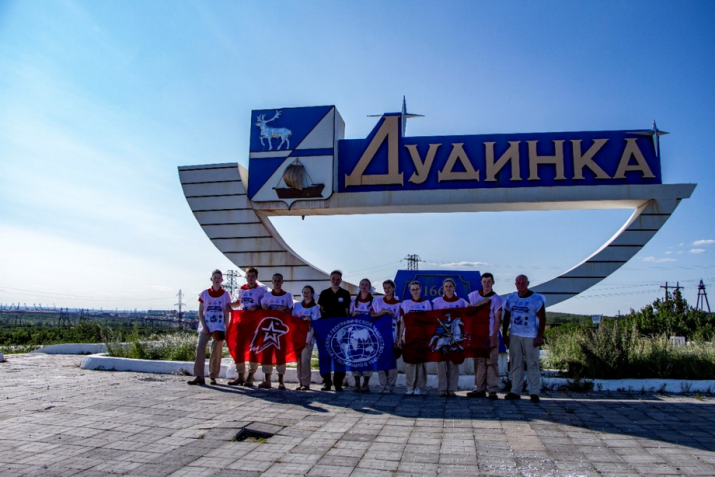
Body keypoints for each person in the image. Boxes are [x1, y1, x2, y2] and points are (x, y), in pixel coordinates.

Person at [501, 274, 546, 403]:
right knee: (515, 363)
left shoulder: (537, 299)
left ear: (528, 283)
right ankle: (515, 390)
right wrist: (504, 333)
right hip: (515, 334)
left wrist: (539, 336)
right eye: (518, 283)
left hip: (531, 335)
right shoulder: (511, 298)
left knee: (532, 363)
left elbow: (542, 318)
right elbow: (506, 317)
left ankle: (534, 391)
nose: (520, 285)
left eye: (523, 283)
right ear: (515, 284)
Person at [188, 269, 235, 386]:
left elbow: (226, 312)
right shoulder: (204, 294)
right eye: (215, 277)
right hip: (206, 325)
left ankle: (213, 376)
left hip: (219, 326)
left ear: (222, 280)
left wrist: (227, 328)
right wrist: (204, 326)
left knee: (216, 351)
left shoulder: (225, 295)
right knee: (200, 348)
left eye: (219, 278)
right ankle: (199, 375)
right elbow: (200, 311)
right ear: (211, 279)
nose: (217, 280)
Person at [227, 267, 267, 387]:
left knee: (253, 349)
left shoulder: (261, 290)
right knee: (238, 348)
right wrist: (228, 305)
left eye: (253, 276)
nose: (250, 278)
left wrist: (257, 307)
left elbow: (265, 305)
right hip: (242, 322)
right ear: (246, 277)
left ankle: (250, 375)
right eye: (249, 276)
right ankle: (240, 375)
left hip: (255, 323)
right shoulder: (241, 290)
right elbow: (238, 303)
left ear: (256, 277)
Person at [466, 273, 503, 400]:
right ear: (481, 283)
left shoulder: (497, 299)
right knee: (479, 362)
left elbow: (498, 319)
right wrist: (482, 303)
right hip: (477, 335)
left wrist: (494, 337)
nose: (487, 284)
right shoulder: (473, 296)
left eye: (489, 281)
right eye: (484, 281)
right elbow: (469, 312)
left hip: (490, 334)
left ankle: (492, 389)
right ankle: (479, 388)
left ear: (493, 282)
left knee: (491, 362)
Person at [432, 278, 468, 397]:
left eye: (450, 286)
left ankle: (452, 388)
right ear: (443, 288)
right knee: (441, 364)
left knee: (453, 363)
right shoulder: (437, 302)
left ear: (454, 287)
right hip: (443, 332)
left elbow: (466, 316)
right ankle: (442, 389)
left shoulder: (461, 302)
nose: (448, 288)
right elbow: (433, 318)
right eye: (446, 286)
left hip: (455, 334)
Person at [317, 270, 351, 392]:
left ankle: (338, 383)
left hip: (341, 330)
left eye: (338, 279)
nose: (335, 281)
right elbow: (320, 311)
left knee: (340, 356)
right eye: (333, 278)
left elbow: (347, 312)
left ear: (341, 280)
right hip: (326, 329)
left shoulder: (345, 293)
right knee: (325, 356)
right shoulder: (324, 293)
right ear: (330, 279)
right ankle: (326, 382)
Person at [258, 273, 294, 390]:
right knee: (266, 353)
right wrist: (264, 307)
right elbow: (261, 307)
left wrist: (285, 308)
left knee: (280, 354)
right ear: (272, 282)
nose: (277, 282)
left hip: (281, 331)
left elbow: (291, 310)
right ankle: (267, 379)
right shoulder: (267, 295)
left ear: (282, 282)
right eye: (275, 280)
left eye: (279, 280)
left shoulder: (287, 296)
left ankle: (281, 381)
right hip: (268, 329)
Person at [399, 281, 431, 396]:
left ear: (420, 290)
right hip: (409, 337)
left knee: (420, 363)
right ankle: (410, 387)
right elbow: (402, 322)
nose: (415, 291)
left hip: (422, 337)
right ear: (410, 291)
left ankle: (418, 387)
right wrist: (399, 338)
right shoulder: (405, 304)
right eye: (413, 289)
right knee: (409, 363)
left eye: (417, 289)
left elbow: (429, 321)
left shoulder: (426, 303)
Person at [371, 279, 401, 394]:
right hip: (380, 332)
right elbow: (371, 315)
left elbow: (399, 322)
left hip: (392, 333)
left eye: (389, 287)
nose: (387, 290)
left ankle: (390, 385)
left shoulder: (398, 304)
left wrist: (399, 338)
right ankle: (382, 384)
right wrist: (382, 313)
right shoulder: (378, 302)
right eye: (385, 288)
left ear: (393, 288)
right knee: (381, 359)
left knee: (391, 359)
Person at [292, 285, 320, 390]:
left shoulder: (315, 308)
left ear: (312, 294)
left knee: (305, 360)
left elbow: (315, 325)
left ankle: (306, 382)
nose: (306, 294)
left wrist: (310, 339)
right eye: (304, 292)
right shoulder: (297, 305)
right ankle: (300, 381)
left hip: (308, 337)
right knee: (298, 361)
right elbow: (292, 321)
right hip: (297, 336)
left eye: (308, 292)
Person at [350, 278, 374, 393]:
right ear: (359, 286)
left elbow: (376, 315)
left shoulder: (374, 301)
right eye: (362, 284)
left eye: (366, 285)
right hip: (355, 333)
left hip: (368, 334)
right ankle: (357, 382)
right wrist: (352, 314)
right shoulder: (353, 300)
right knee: (355, 356)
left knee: (367, 356)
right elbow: (348, 316)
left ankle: (365, 382)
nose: (364, 286)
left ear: (369, 287)